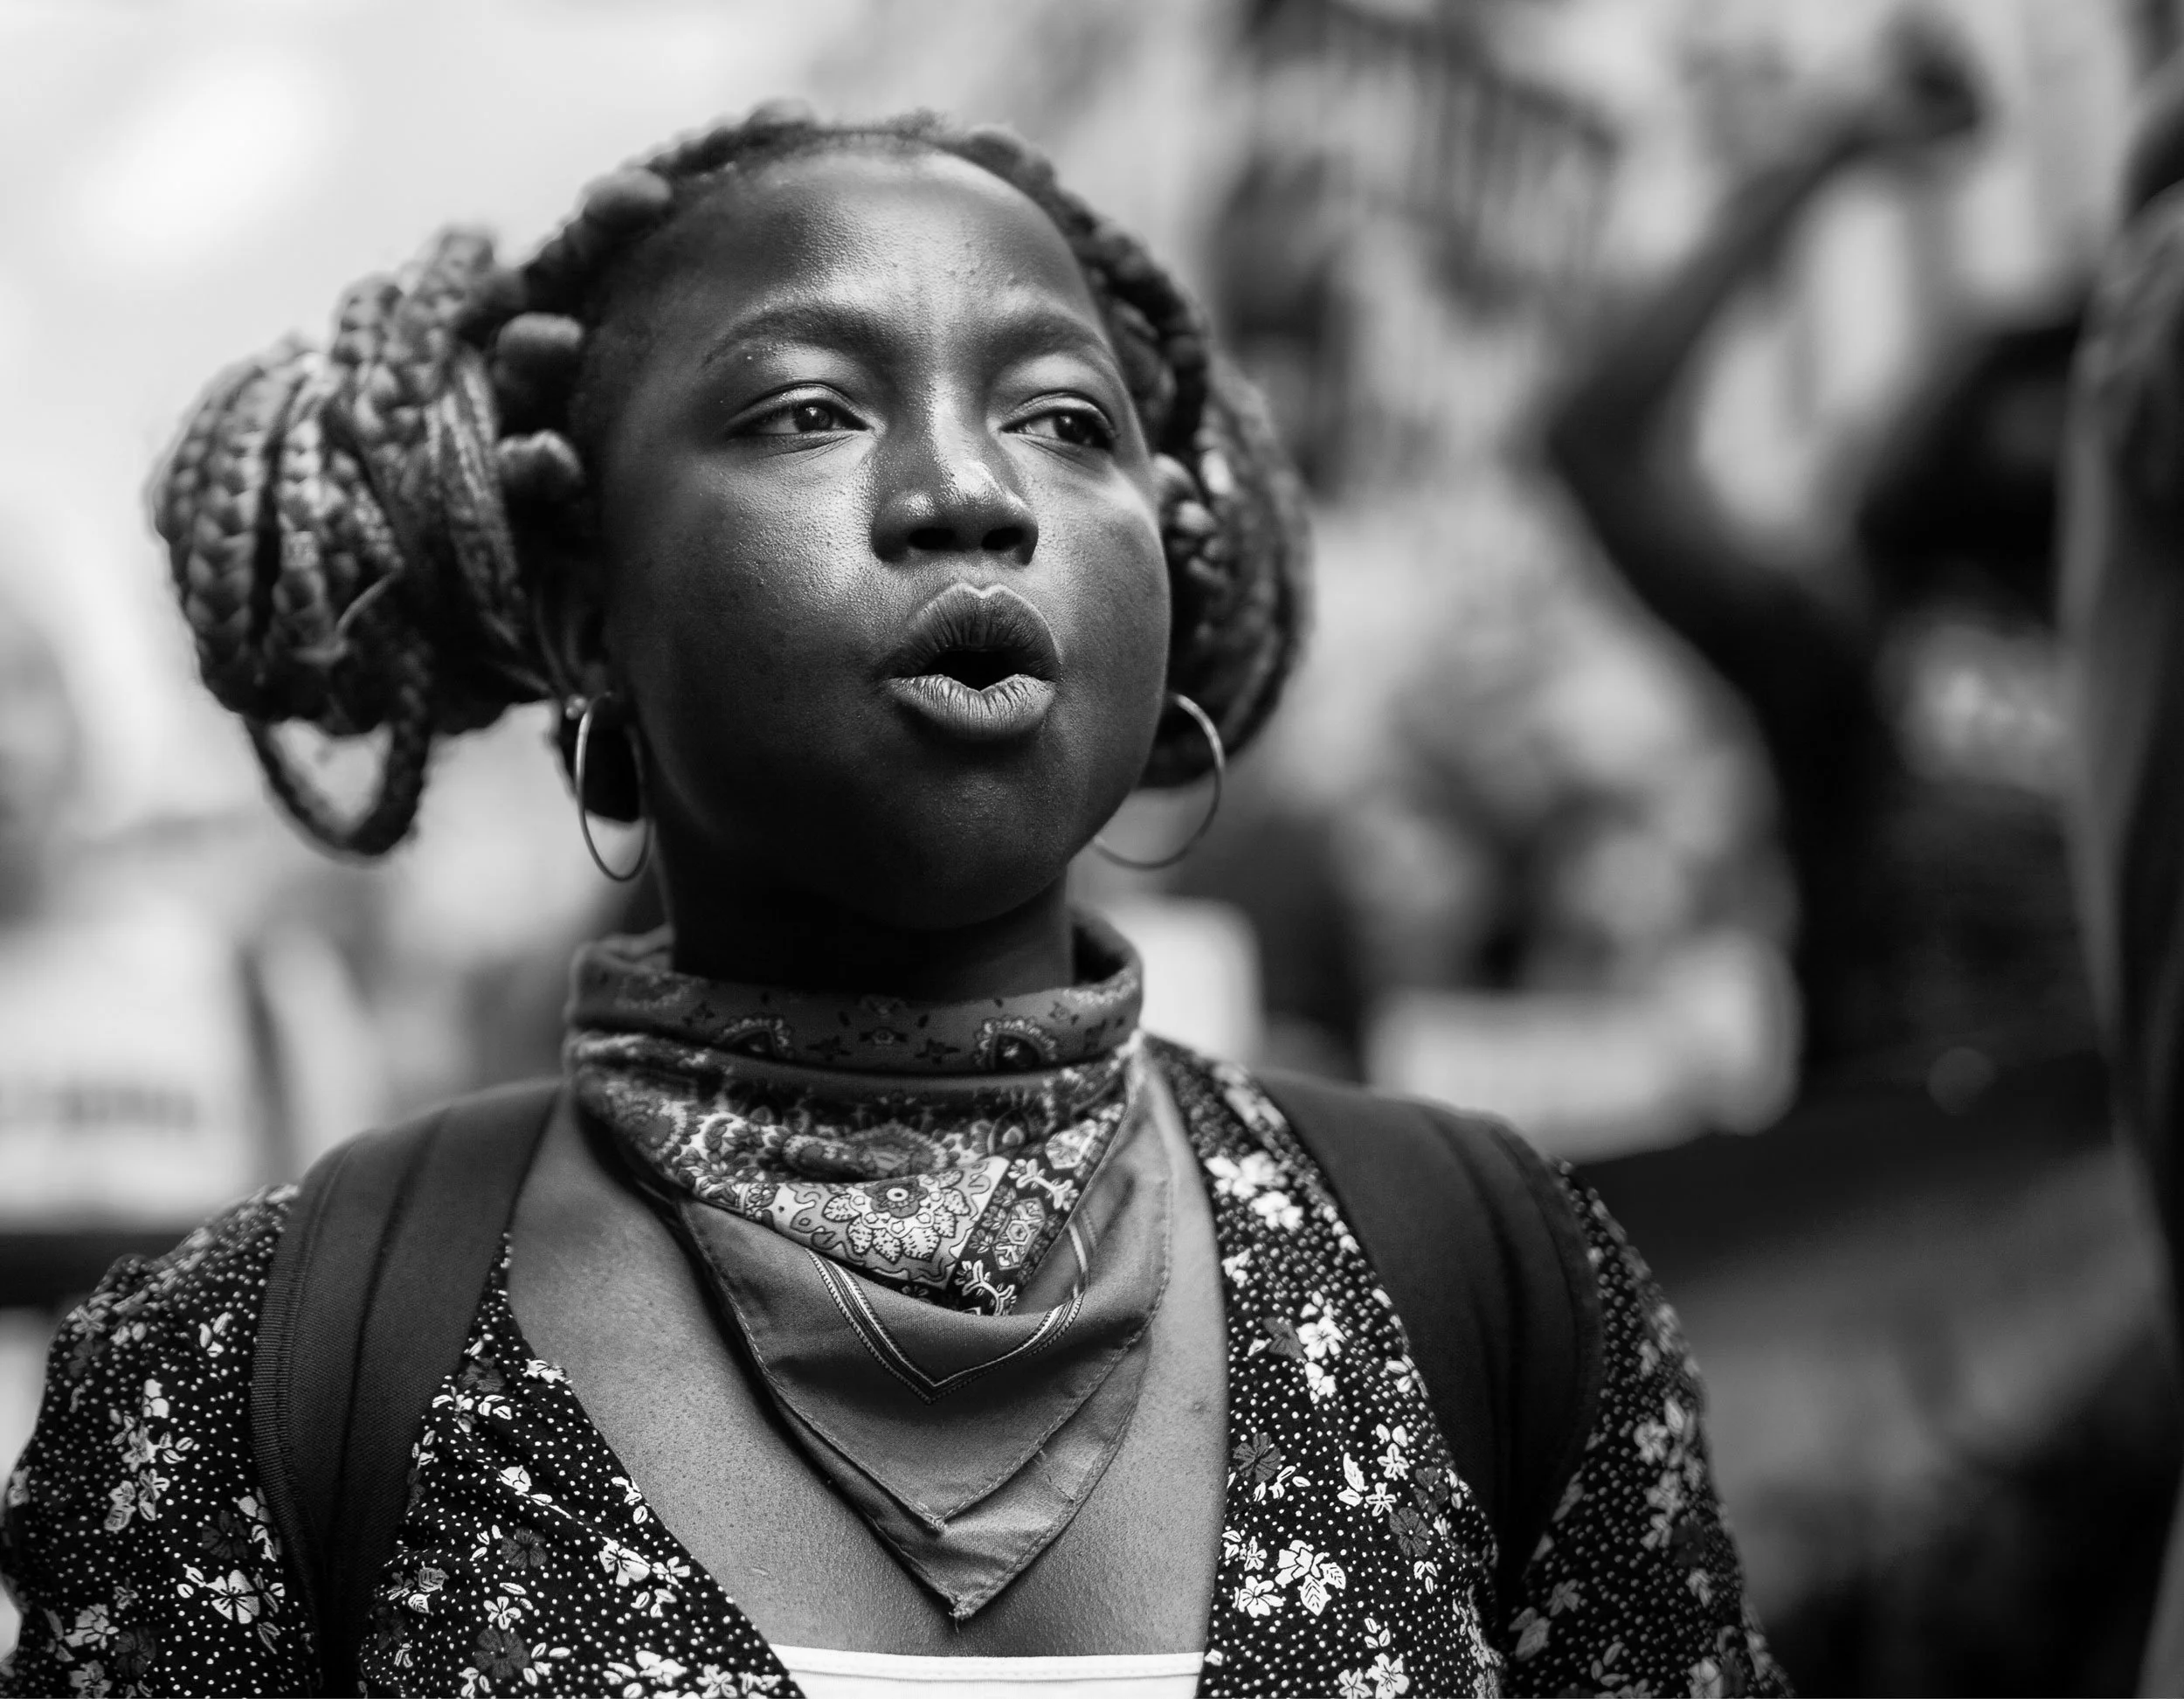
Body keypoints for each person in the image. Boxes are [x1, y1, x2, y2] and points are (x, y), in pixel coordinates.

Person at [0, 108, 1783, 1698]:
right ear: (577, 612)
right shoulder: (246, 1366)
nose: (965, 492)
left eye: (1064, 421)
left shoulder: (1496, 1280)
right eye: (807, 411)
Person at [1544, 30, 2092, 1082]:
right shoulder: (1854, 634)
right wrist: (1816, 161)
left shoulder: (2135, 654)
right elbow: (1597, 441)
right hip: (1887, 1184)